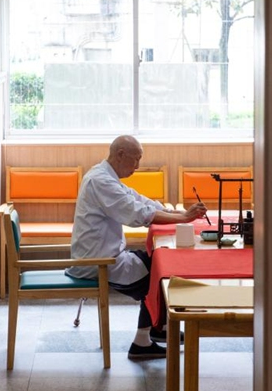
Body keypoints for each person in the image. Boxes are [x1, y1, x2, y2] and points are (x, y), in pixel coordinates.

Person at [66, 135, 207, 360]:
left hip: (106, 253)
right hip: (98, 261)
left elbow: (138, 200)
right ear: (121, 155)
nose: (138, 167)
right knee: (160, 272)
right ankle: (142, 342)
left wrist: (177, 213)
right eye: (136, 160)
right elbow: (137, 214)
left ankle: (156, 328)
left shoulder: (104, 175)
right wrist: (184, 218)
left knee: (158, 262)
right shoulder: (101, 180)